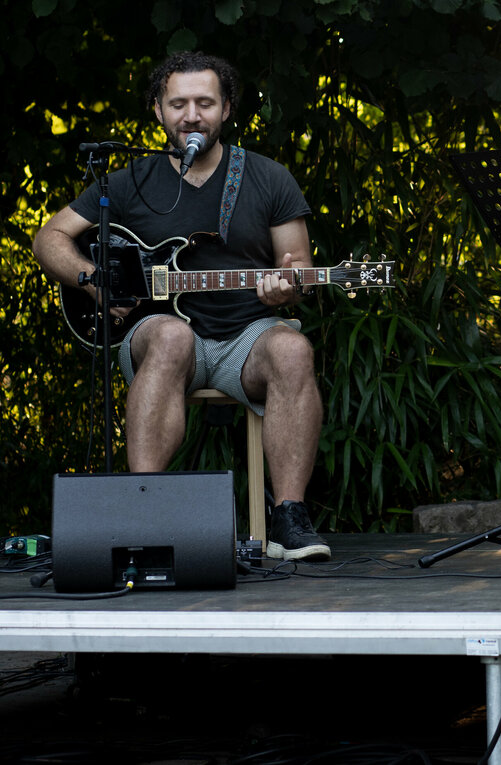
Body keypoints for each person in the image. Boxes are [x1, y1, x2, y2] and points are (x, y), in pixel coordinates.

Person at [33, 51, 330, 562]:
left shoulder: (266, 177)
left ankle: (289, 519)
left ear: (227, 109)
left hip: (246, 335)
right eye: (179, 104)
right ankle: (144, 514)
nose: (192, 115)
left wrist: (288, 287)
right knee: (171, 335)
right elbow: (50, 237)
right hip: (160, 334)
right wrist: (92, 280)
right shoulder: (128, 181)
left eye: (205, 103)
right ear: (158, 112)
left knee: (294, 350)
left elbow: (297, 267)